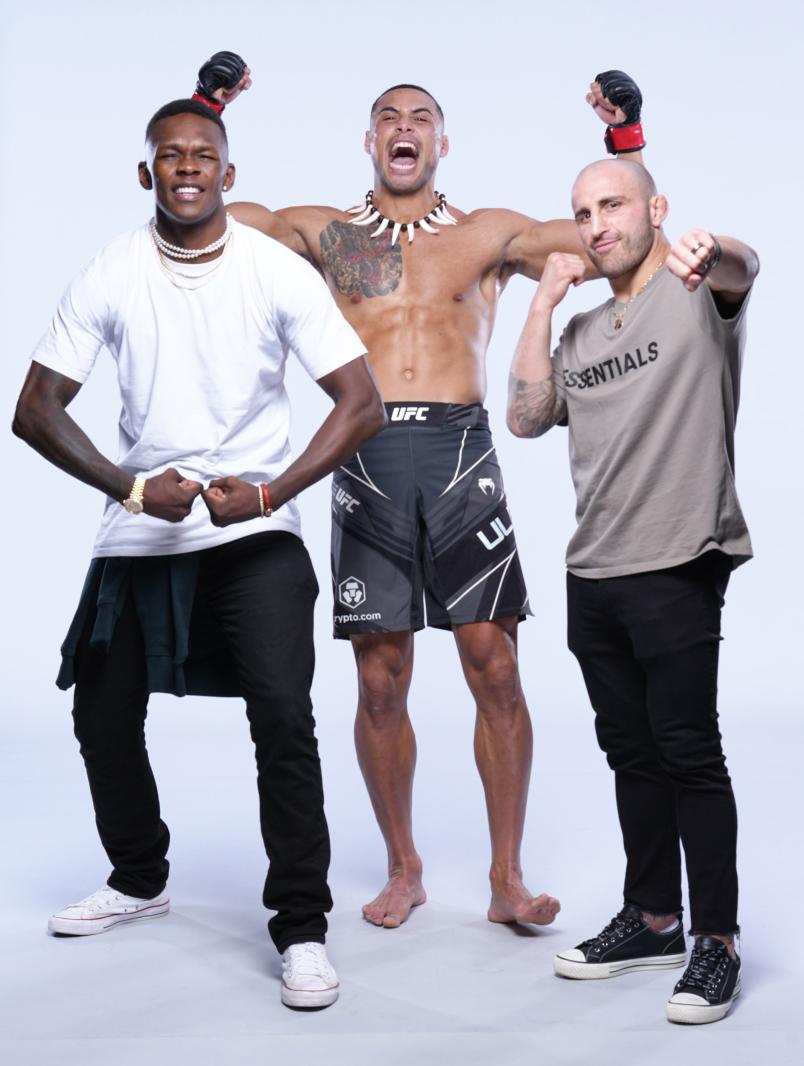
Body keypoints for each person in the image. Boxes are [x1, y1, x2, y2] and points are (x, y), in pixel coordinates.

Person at [205, 57, 644, 930]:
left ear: (441, 141)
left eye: (420, 117)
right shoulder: (328, 235)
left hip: (459, 457)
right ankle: (404, 867)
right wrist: (206, 111)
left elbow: (612, 242)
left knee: (498, 670)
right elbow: (208, 216)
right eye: (388, 117)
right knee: (380, 681)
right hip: (364, 455)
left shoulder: (485, 235)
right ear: (371, 141)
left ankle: (506, 878)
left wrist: (623, 141)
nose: (404, 127)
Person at [12, 98, 385, 1010]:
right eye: (169, 156)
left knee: (283, 723)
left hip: (253, 533)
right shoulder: (111, 269)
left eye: (203, 155)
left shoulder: (272, 271)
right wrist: (131, 487)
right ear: (149, 174)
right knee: (101, 711)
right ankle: (140, 877)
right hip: (144, 528)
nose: (187, 167)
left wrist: (271, 492)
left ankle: (301, 929)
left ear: (229, 174)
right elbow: (34, 409)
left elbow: (361, 401)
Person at [506, 156, 758, 1024]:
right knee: (632, 755)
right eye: (583, 213)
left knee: (689, 750)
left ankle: (716, 942)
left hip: (679, 560)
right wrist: (541, 302)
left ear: (654, 208)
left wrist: (713, 247)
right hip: (595, 572)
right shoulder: (578, 334)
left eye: (612, 205)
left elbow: (743, 267)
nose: (597, 223)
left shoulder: (697, 290)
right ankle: (654, 919)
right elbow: (526, 418)